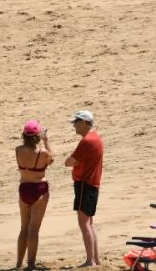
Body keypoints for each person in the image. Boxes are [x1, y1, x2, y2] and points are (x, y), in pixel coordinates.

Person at [65, 110, 103, 268]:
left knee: (84, 223)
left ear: (85, 123)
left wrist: (74, 162)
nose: (74, 125)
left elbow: (69, 162)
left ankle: (91, 261)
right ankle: (95, 259)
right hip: (92, 184)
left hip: (85, 185)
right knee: (89, 223)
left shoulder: (87, 141)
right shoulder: (96, 137)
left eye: (77, 122)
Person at [16, 120, 53, 270]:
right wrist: (46, 140)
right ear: (38, 135)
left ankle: (19, 263)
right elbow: (52, 159)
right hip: (39, 189)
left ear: (24, 135)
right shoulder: (42, 153)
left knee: (24, 228)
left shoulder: (18, 150)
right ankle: (31, 264)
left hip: (24, 188)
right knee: (34, 229)